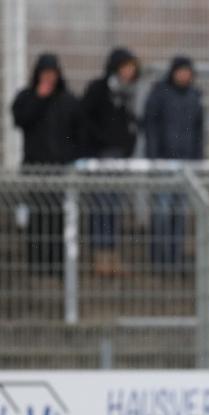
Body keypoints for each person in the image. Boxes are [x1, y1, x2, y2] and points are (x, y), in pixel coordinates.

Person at [11, 53, 83, 276]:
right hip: (35, 167)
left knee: (58, 218)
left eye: (52, 74)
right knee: (38, 218)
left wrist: (70, 156)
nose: (49, 78)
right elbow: (20, 120)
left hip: (60, 168)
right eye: (45, 73)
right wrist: (39, 99)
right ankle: (37, 265)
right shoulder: (27, 96)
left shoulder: (67, 99)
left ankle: (57, 265)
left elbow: (78, 131)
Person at [81, 47, 140, 276]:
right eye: (126, 66)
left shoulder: (129, 93)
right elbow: (86, 121)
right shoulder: (98, 89)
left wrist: (128, 145)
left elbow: (133, 125)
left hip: (121, 158)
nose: (129, 71)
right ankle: (100, 257)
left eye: (132, 67)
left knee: (114, 208)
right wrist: (100, 143)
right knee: (101, 207)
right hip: (101, 157)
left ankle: (112, 255)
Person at [144, 55, 204, 273]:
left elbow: (198, 134)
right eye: (181, 71)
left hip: (186, 166)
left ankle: (175, 260)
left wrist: (198, 163)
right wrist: (153, 159)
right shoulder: (160, 95)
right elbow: (150, 129)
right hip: (163, 164)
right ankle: (159, 260)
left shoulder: (194, 97)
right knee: (161, 213)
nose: (184, 75)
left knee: (179, 216)